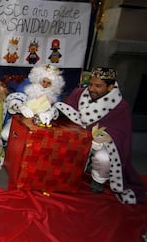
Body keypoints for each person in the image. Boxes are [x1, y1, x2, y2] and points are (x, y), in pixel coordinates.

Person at [55, 67, 146, 204]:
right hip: (77, 138)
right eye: (91, 84)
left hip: (101, 143)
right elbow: (66, 113)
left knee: (104, 158)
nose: (92, 89)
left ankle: (98, 181)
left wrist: (102, 141)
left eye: (98, 86)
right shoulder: (78, 93)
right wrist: (54, 112)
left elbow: (121, 134)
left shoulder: (121, 106)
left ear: (110, 87)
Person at [1, 63, 65, 141]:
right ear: (39, 79)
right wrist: (21, 107)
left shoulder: (54, 94)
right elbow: (15, 97)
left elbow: (58, 107)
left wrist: (51, 113)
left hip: (41, 123)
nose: (45, 85)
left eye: (49, 83)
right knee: (6, 135)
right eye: (44, 81)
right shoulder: (27, 86)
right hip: (21, 118)